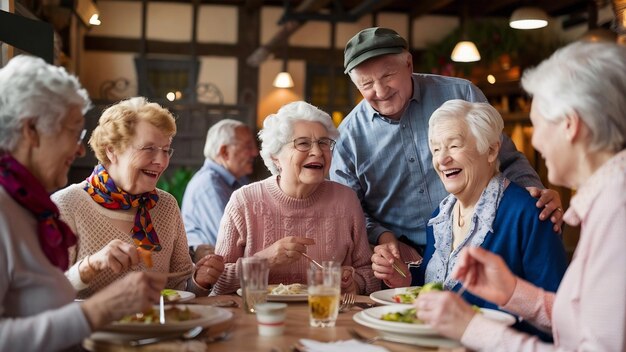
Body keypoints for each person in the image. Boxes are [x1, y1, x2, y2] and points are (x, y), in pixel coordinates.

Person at [415, 41, 626, 351]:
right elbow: (580, 321)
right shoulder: (607, 201)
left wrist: (472, 329)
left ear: (570, 125)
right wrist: (512, 291)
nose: (535, 141)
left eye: (537, 125)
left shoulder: (617, 210)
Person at [330, 27, 563, 264]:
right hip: (400, 261)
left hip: (478, 247)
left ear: (408, 64)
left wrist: (535, 195)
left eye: (388, 76)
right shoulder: (347, 137)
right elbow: (349, 210)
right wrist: (382, 236)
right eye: (366, 84)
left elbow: (506, 157)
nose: (380, 91)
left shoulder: (461, 93)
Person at [0, 55, 166, 351]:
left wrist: (88, 272)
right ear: (31, 131)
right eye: (73, 133)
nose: (79, 150)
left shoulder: (27, 205)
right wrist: (99, 310)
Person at [373, 100, 568, 340]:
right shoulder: (440, 217)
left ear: (491, 150)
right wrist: (403, 278)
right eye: (435, 149)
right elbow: (438, 286)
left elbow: (559, 317)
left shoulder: (531, 213)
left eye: (454, 146)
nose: (442, 159)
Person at [52, 97, 224, 299]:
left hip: (159, 328)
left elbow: (178, 288)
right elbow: (46, 293)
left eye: (166, 150)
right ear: (112, 150)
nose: (161, 161)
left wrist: (200, 281)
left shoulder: (166, 206)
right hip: (95, 330)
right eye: (149, 149)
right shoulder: (66, 205)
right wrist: (89, 266)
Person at [212, 101, 379, 295]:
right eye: (303, 143)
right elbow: (217, 282)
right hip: (259, 317)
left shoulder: (346, 201)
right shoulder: (244, 201)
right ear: (275, 156)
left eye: (323, 143)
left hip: (325, 318)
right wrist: (264, 262)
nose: (317, 152)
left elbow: (368, 273)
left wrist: (352, 284)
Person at [181, 119, 258, 261]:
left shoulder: (239, 180)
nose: (255, 152)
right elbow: (232, 243)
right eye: (248, 146)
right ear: (224, 152)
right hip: (216, 275)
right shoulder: (209, 185)